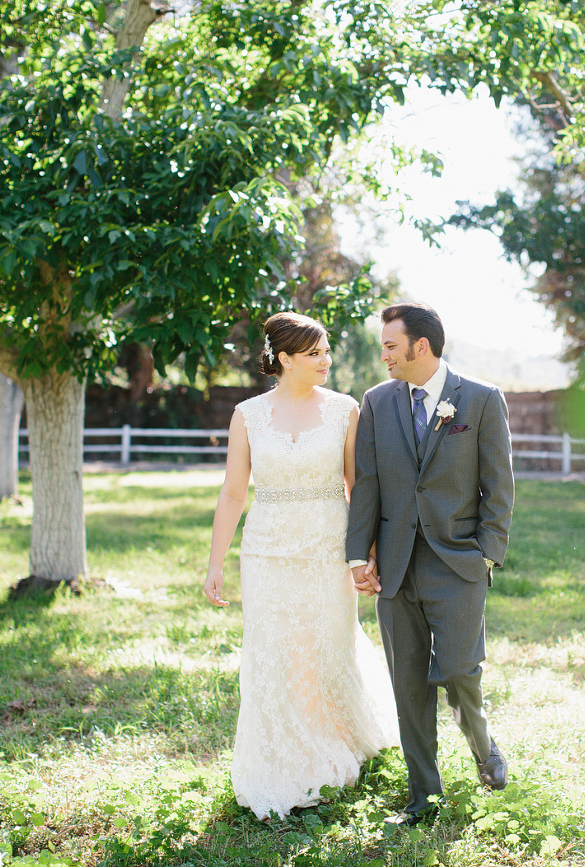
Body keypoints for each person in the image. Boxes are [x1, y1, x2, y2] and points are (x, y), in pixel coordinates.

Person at [202, 311, 398, 821]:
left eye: (327, 351)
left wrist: (366, 552)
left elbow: (359, 488)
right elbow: (232, 492)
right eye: (314, 353)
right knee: (274, 651)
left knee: (325, 645)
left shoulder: (345, 410)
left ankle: (332, 738)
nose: (326, 361)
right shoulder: (247, 414)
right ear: (284, 358)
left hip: (328, 549)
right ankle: (279, 756)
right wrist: (214, 562)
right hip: (266, 550)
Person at [346, 302, 516, 826]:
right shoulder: (376, 402)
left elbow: (499, 487)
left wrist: (487, 553)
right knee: (408, 683)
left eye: (391, 346)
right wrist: (358, 554)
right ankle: (424, 796)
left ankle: (484, 750)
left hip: (458, 562)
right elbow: (368, 481)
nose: (384, 356)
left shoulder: (482, 400)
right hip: (395, 567)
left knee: (460, 671)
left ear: (422, 346)